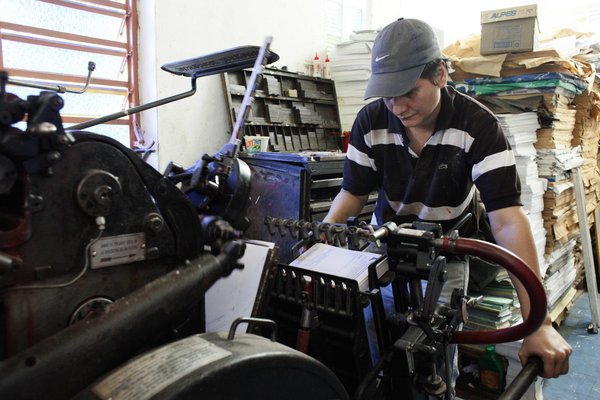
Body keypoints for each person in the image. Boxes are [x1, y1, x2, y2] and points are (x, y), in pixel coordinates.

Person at [322, 17, 572, 390]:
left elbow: (507, 221)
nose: (398, 107)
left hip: (446, 253)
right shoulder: (371, 121)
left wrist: (537, 322)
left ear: (440, 75)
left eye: (408, 92)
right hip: (386, 249)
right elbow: (352, 194)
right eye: (387, 95)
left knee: (434, 363)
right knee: (379, 358)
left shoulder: (478, 126)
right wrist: (321, 244)